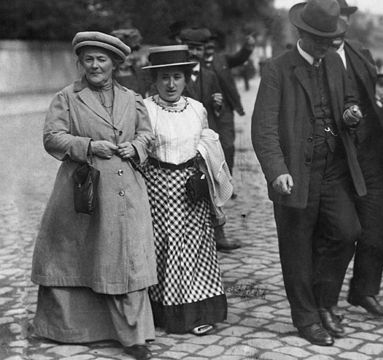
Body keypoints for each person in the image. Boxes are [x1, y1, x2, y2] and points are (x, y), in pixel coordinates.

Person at [31, 31, 156, 360]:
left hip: (125, 188)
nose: (95, 65)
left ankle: (133, 335)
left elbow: (147, 134)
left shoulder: (133, 99)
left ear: (115, 64)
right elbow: (51, 137)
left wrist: (137, 146)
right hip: (83, 189)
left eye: (102, 59)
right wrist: (87, 146)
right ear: (80, 63)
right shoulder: (67, 97)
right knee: (81, 254)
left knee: (125, 257)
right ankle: (72, 329)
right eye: (88, 59)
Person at [251, 0, 366, 346]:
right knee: (297, 247)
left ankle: (325, 302)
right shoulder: (277, 70)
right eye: (318, 40)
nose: (325, 47)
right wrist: (277, 171)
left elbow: (348, 99)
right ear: (302, 34)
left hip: (333, 170)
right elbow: (264, 128)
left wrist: (350, 112)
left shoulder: (334, 62)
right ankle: (306, 318)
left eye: (329, 40)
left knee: (348, 232)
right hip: (295, 175)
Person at [141, 45, 232, 336]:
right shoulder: (146, 109)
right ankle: (164, 313)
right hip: (157, 186)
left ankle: (198, 312)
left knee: (196, 248)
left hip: (192, 187)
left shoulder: (196, 108)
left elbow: (208, 145)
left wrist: (208, 183)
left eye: (177, 77)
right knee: (166, 248)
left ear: (185, 79)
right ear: (154, 80)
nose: (171, 84)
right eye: (164, 77)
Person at [334, 0, 383, 318]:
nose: (339, 23)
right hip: (335, 158)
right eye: (333, 17)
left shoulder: (359, 51)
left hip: (369, 154)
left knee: (376, 227)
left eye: (343, 17)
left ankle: (365, 290)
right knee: (338, 232)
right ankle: (323, 298)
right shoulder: (314, 57)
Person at [179, 27, 241, 251]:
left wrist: (217, 103)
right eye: (191, 48)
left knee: (212, 185)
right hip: (182, 138)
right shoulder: (176, 75)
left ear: (205, 50)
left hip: (205, 139)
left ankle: (219, 234)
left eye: (199, 48)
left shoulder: (211, 75)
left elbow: (219, 108)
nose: (195, 52)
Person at [203, 29, 255, 176]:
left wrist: (248, 47)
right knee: (209, 146)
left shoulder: (222, 59)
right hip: (206, 111)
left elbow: (239, 58)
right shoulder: (196, 65)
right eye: (206, 43)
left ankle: (228, 178)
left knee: (228, 145)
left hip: (225, 110)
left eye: (212, 42)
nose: (209, 45)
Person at [111, 28, 152, 97]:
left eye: (132, 52)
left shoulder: (141, 73)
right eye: (126, 54)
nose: (131, 57)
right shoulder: (108, 76)